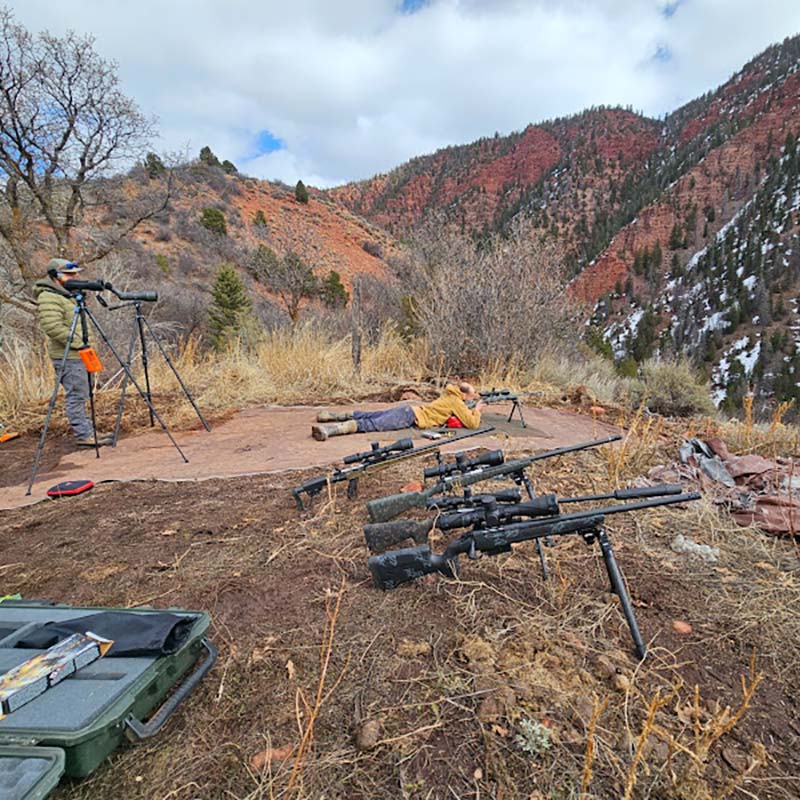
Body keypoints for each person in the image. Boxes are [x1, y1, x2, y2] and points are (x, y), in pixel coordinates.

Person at [33, 258, 111, 447]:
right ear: (56, 277)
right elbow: (52, 327)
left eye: (76, 273)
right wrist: (79, 343)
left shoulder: (68, 295)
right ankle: (84, 436)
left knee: (84, 394)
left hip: (81, 354)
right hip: (69, 356)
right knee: (76, 395)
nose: (75, 277)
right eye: (70, 274)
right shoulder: (48, 297)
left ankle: (88, 430)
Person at [312, 382, 485, 441]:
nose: (471, 398)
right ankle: (331, 430)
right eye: (470, 396)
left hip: (409, 410)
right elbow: (472, 424)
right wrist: (476, 410)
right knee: (373, 424)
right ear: (463, 394)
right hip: (411, 416)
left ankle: (330, 416)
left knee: (373, 415)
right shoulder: (457, 401)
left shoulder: (450, 393)